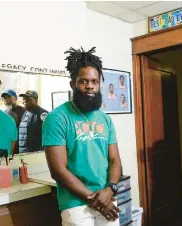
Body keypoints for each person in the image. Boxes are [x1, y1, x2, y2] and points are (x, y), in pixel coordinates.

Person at [43, 46, 122, 226]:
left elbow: (115, 160)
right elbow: (58, 170)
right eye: (83, 81)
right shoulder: (57, 118)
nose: (90, 86)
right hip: (77, 206)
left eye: (94, 81)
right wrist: (95, 200)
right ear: (73, 84)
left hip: (107, 198)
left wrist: (110, 189)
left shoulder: (105, 119)